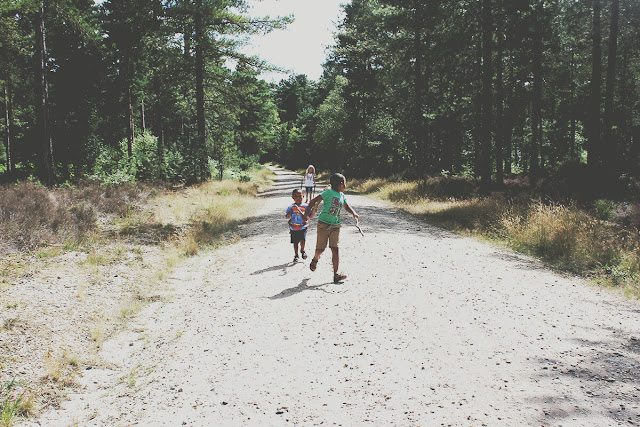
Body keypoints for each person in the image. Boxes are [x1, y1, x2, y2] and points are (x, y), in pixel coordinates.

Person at [302, 173, 359, 283]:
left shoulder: (342, 195)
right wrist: (306, 214)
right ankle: (315, 259)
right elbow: (313, 200)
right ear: (340, 184)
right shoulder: (328, 193)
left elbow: (346, 206)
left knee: (335, 249)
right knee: (320, 249)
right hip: (323, 224)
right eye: (345, 183)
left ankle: (336, 275)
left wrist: (354, 213)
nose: (345, 186)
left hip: (335, 226)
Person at [285, 188, 313, 262]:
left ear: (303, 196)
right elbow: (287, 216)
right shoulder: (291, 207)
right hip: (293, 227)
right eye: (296, 197)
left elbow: (310, 215)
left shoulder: (306, 206)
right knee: (295, 242)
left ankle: (302, 250)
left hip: (303, 226)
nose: (298, 198)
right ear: (293, 198)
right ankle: (296, 254)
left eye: (299, 196)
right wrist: (289, 214)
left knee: (303, 239)